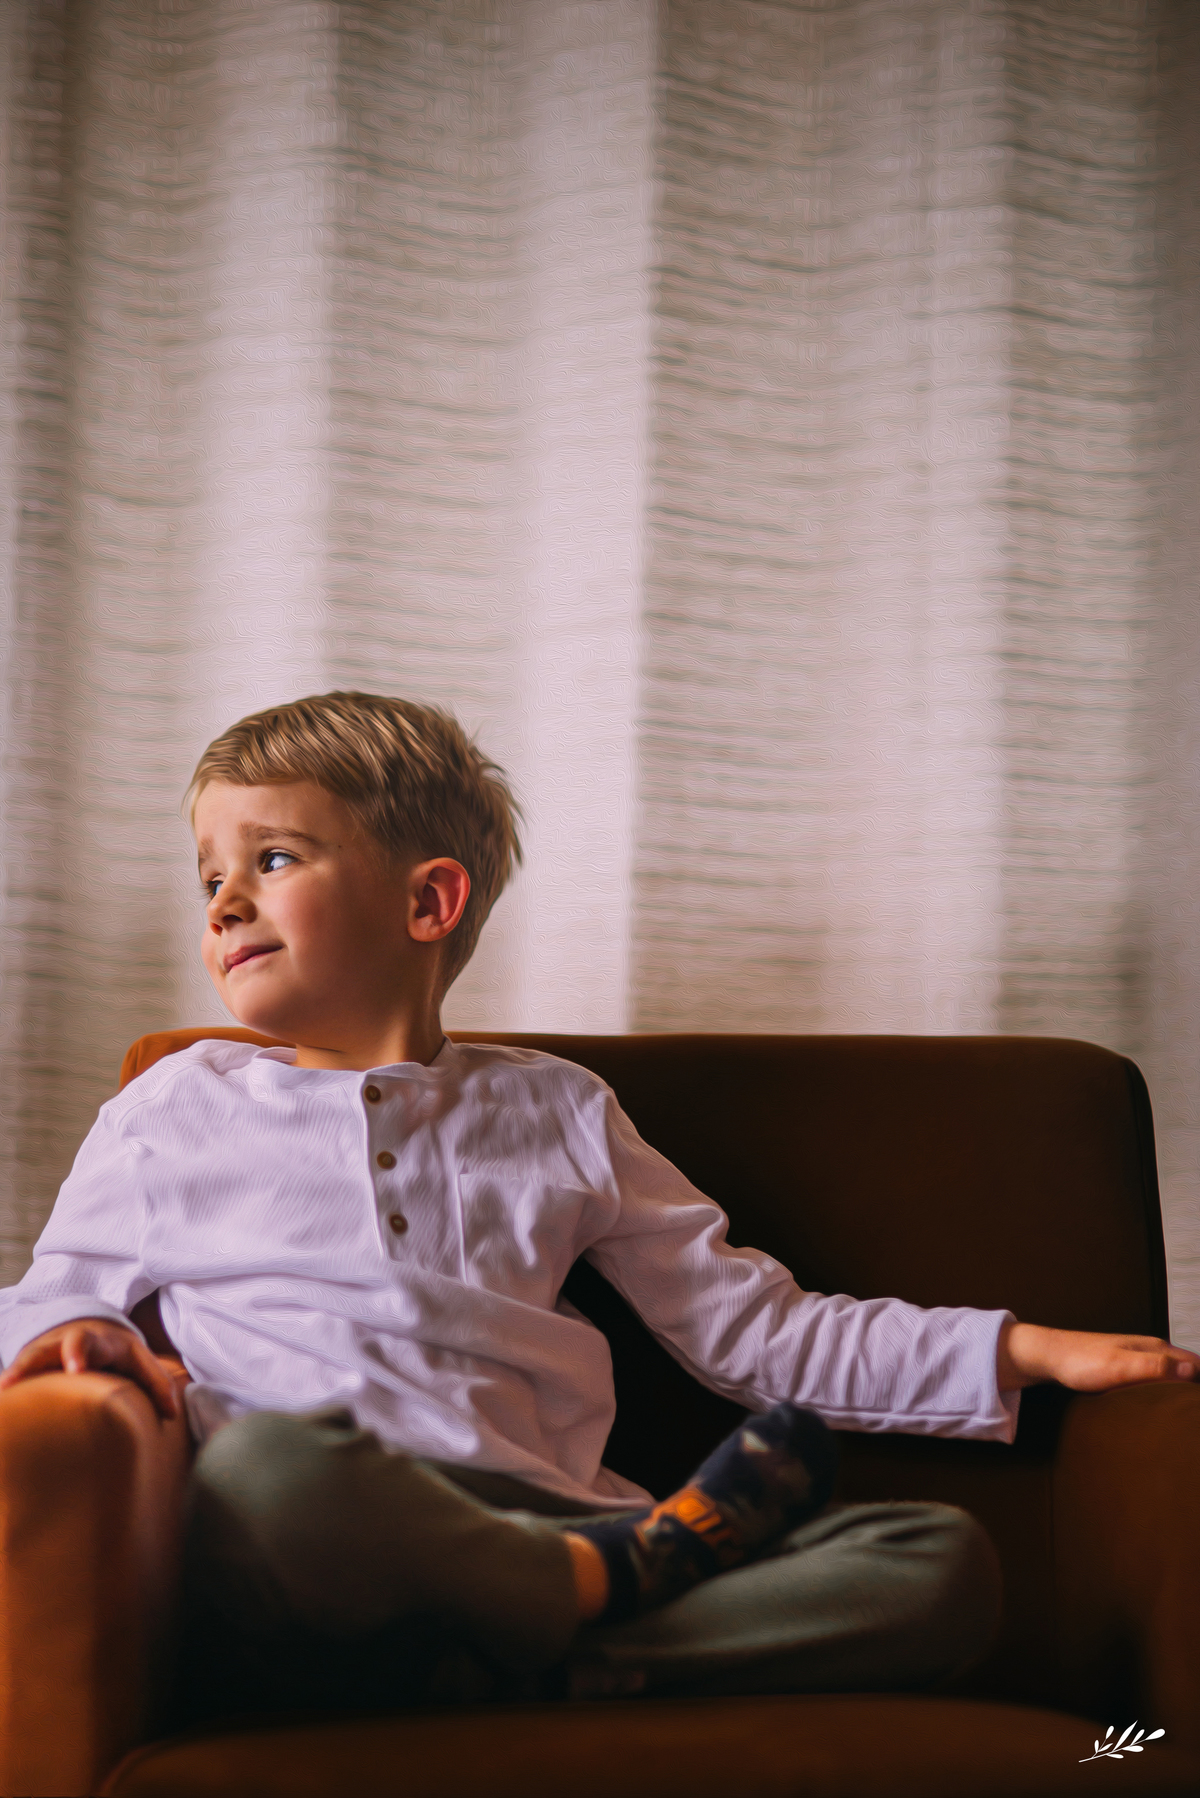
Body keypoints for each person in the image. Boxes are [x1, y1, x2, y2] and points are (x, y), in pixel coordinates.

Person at [0, 691, 1195, 1712]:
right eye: (209, 874)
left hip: (564, 1521)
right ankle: (593, 1629)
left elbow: (756, 1331)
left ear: (430, 902)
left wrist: (1028, 1349)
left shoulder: (558, 1110)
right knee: (265, 1477)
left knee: (939, 1561)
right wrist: (71, 1336)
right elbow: (42, 1300)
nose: (220, 903)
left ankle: (525, 1642)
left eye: (270, 860)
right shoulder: (173, 1108)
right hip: (330, 1529)